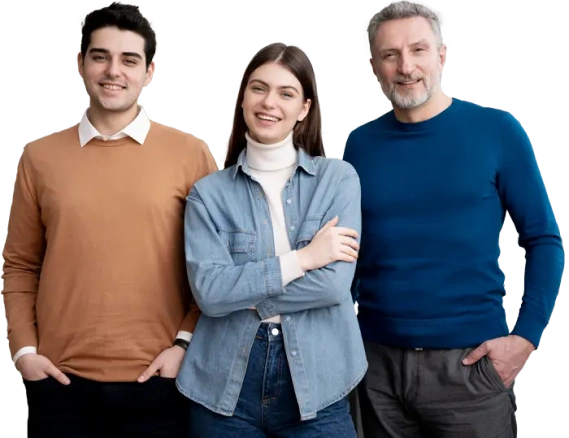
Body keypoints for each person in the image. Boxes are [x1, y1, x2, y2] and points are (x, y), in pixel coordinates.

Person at [342, 0, 565, 437]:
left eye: (418, 50)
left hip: (471, 366)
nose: (406, 67)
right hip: (376, 367)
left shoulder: (497, 132)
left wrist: (526, 338)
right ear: (374, 66)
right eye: (390, 55)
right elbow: (352, 251)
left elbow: (543, 241)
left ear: (442, 54)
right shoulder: (361, 146)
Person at [1, 2, 218, 437]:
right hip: (58, 385)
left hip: (160, 383)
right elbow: (21, 264)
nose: (112, 71)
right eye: (100, 56)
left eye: (129, 60)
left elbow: (213, 267)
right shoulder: (40, 158)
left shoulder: (190, 155)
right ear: (81, 63)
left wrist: (184, 345)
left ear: (150, 71)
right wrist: (24, 351)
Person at [176, 41, 367, 437]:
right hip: (223, 383)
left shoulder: (338, 179)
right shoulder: (207, 194)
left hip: (321, 378)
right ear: (241, 98)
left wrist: (240, 296)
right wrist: (303, 259)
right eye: (258, 88)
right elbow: (209, 293)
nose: (269, 103)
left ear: (304, 108)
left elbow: (333, 286)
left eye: (286, 93)